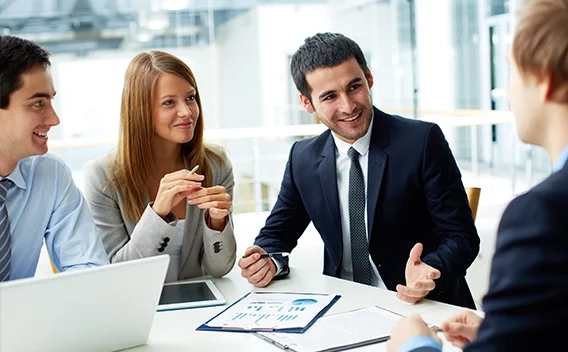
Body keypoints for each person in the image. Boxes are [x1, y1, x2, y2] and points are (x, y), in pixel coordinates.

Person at [238, 32, 480, 308]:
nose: (348, 106)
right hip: (343, 305)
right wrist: (267, 261)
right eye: (329, 96)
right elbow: (276, 236)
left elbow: (461, 237)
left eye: (354, 87)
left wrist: (431, 271)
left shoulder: (422, 141)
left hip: (421, 303)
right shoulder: (302, 158)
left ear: (369, 78)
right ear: (307, 103)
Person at [387, 0, 568, 351]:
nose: (510, 96)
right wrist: (502, 330)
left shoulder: (543, 214)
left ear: (544, 80)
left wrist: (414, 345)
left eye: (511, 73)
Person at [83, 51, 236, 282]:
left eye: (190, 98)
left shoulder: (216, 164)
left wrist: (217, 222)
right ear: (140, 109)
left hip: (199, 306)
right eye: (169, 102)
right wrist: (157, 214)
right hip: (136, 308)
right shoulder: (103, 175)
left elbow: (220, 268)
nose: (186, 112)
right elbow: (117, 273)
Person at [0, 35, 109, 282]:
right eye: (38, 103)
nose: (54, 119)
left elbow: (88, 267)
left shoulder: (50, 174)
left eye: (50, 100)